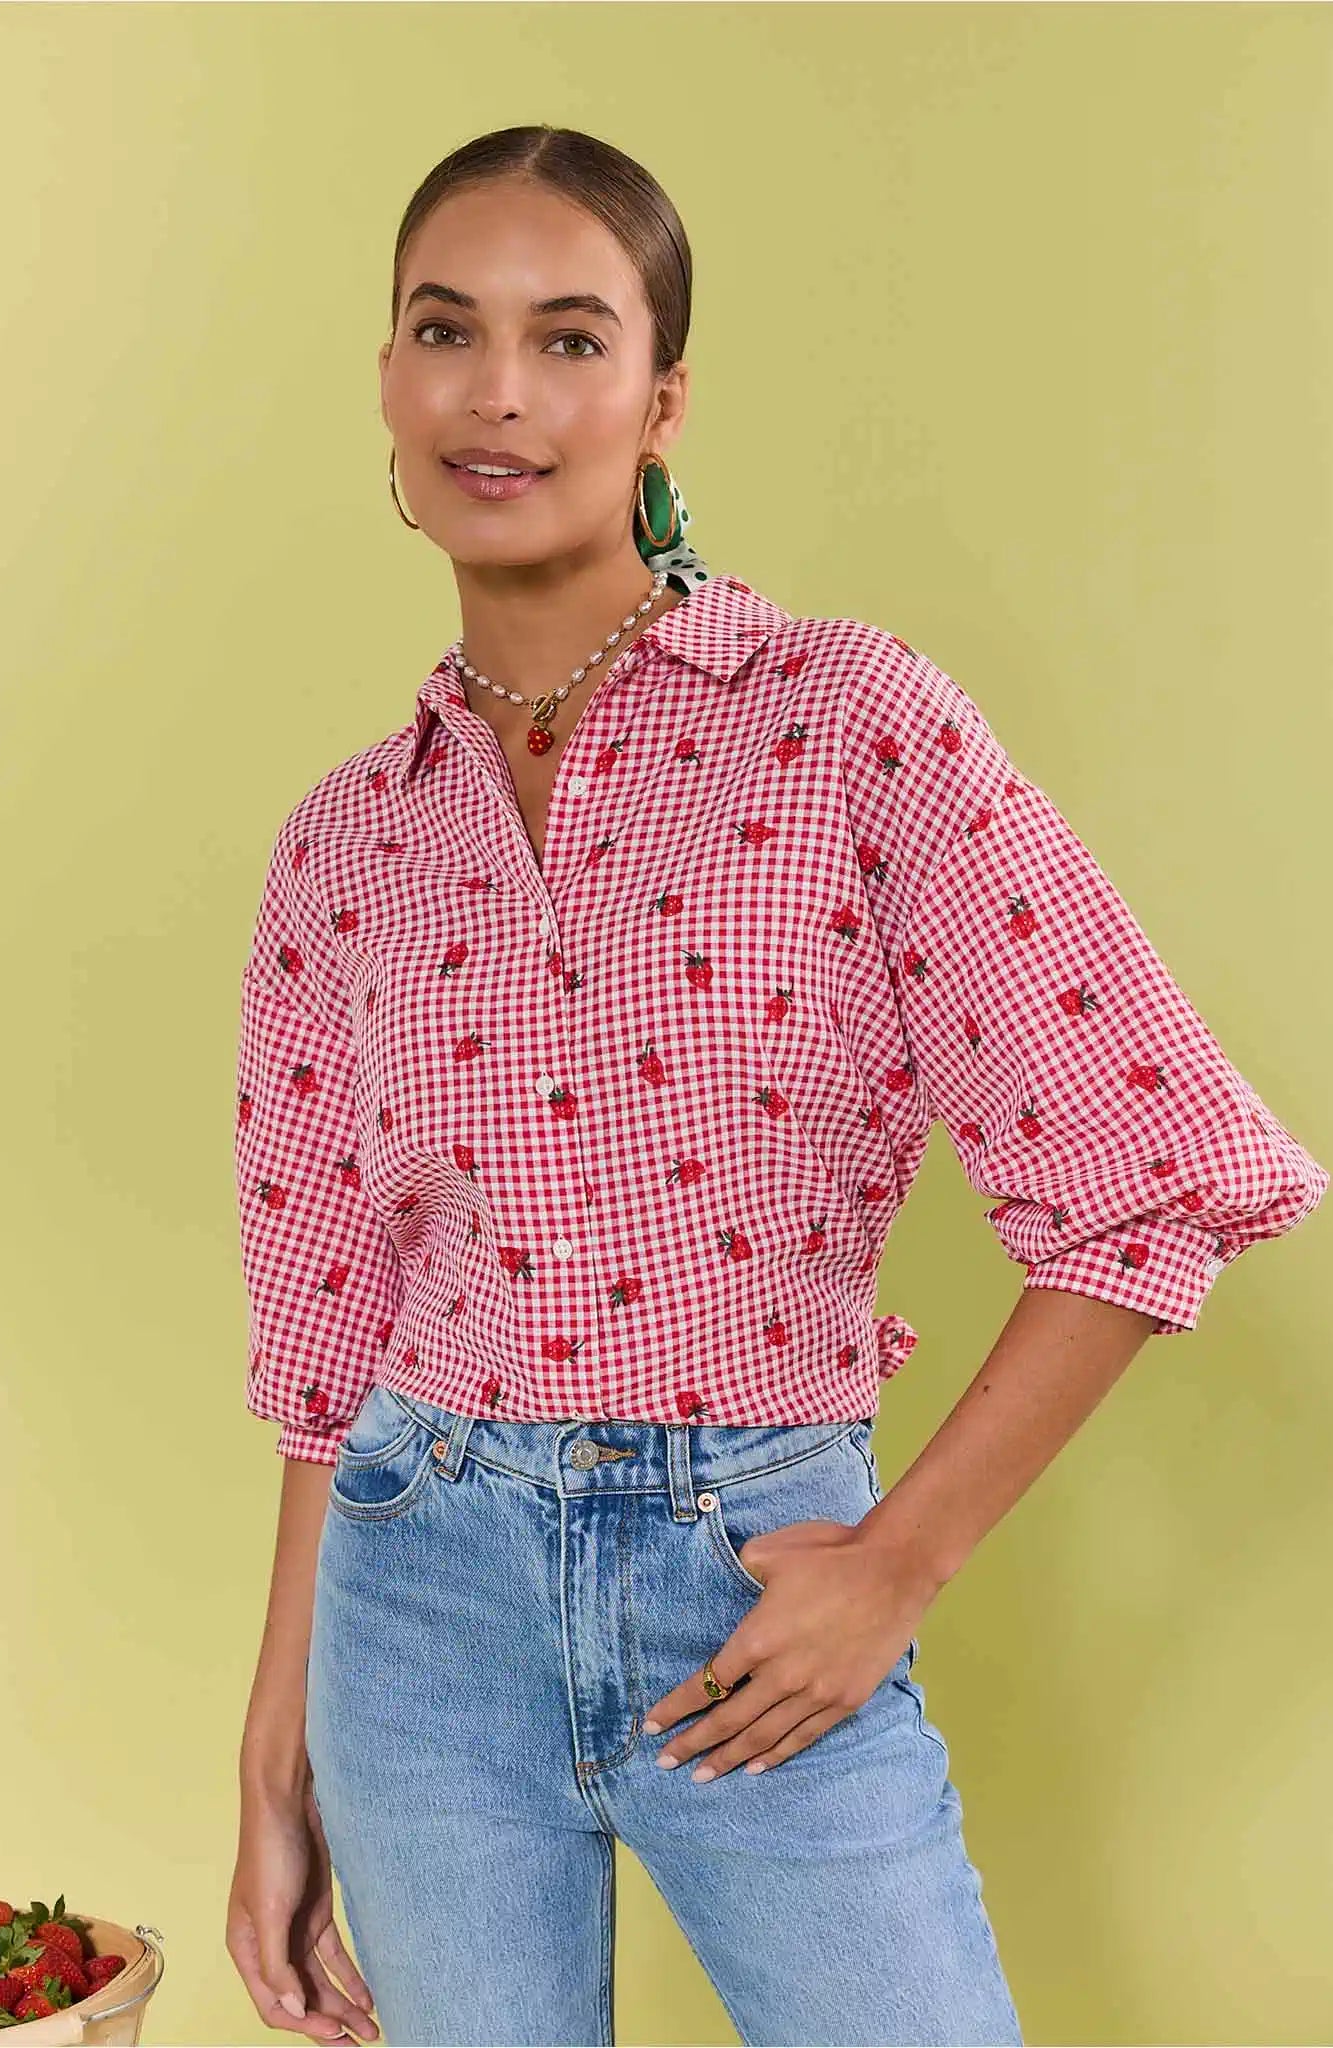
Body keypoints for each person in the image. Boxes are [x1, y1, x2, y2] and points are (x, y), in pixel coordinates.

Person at [224, 125, 1328, 2048]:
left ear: (661, 402)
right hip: (416, 1613)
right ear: (387, 386)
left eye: (569, 339)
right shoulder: (343, 844)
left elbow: (1154, 1172)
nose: (499, 392)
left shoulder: (847, 723)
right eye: (444, 329)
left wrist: (899, 1562)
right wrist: (274, 1751)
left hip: (750, 1580)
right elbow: (330, 1337)